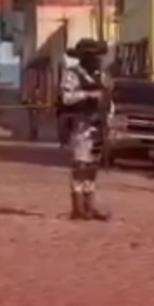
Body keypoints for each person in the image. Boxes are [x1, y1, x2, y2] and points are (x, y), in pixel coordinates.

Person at [59, 38, 109, 220]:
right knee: (80, 165)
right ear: (85, 57)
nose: (98, 60)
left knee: (92, 166)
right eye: (94, 56)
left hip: (98, 125)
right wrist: (88, 95)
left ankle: (90, 206)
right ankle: (78, 207)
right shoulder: (72, 74)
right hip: (80, 124)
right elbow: (66, 98)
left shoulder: (100, 76)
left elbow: (107, 97)